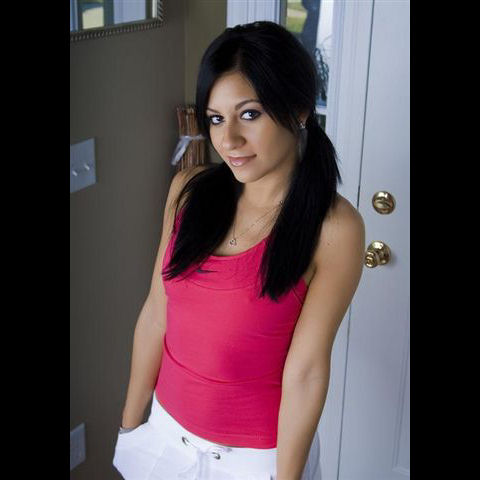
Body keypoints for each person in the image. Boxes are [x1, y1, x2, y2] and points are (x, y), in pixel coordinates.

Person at [113, 21, 365, 480]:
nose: (228, 140)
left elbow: (306, 372)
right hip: (163, 439)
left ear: (298, 109)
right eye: (215, 118)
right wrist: (130, 430)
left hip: (256, 462)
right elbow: (155, 313)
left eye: (249, 114)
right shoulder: (188, 190)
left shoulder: (334, 228)